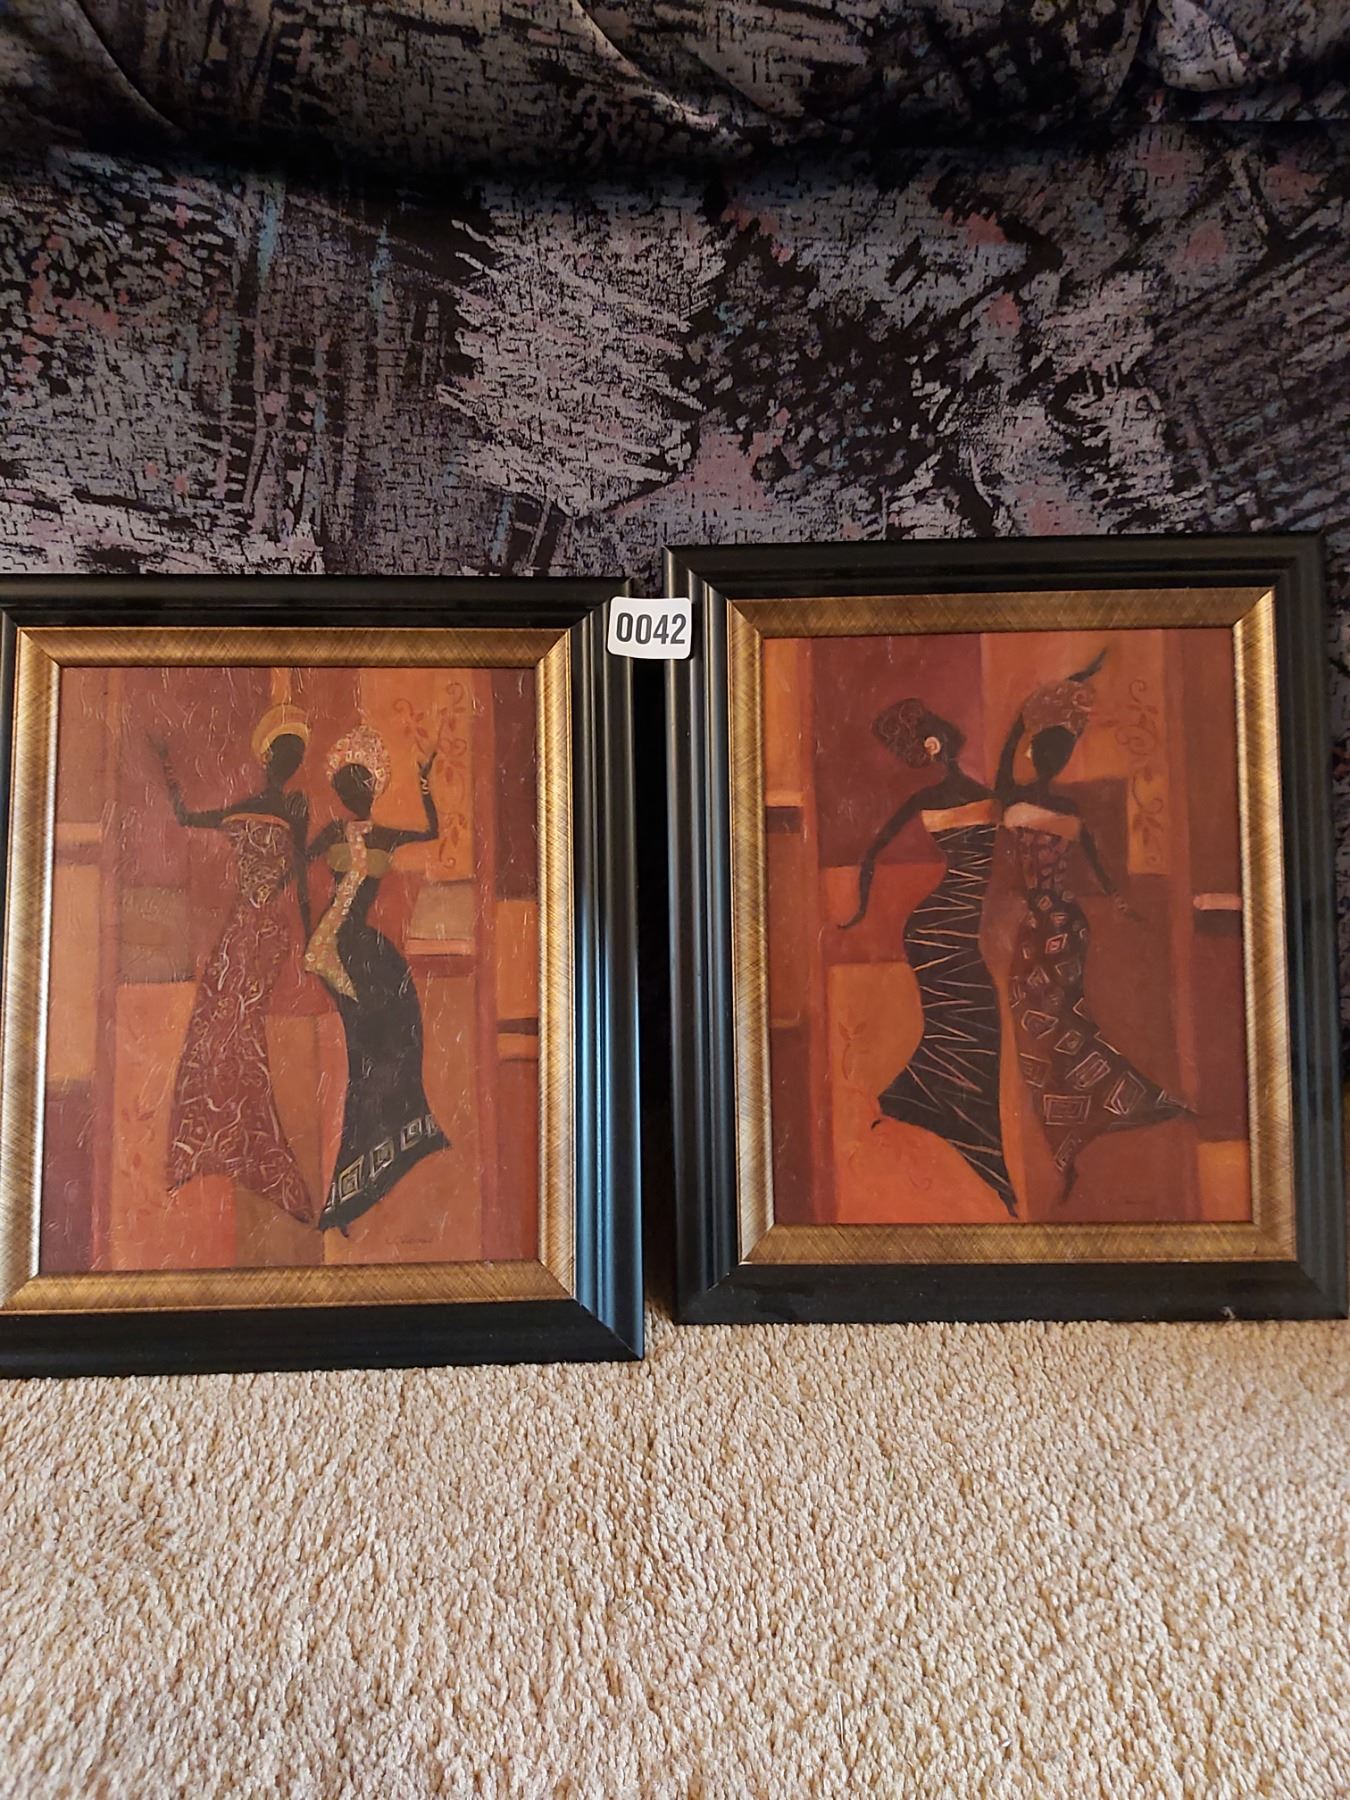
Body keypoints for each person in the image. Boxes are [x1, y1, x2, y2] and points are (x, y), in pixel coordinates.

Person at [995, 652, 1185, 1203]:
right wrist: (1122, 905)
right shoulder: (1070, 814)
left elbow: (1006, 756)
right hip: (1066, 924)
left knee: (1043, 1034)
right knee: (1066, 1026)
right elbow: (1101, 875)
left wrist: (1030, 715)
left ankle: (1069, 1145)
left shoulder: (1013, 804)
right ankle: (1087, 1129)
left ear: (1035, 755)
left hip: (1041, 928)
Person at [841, 698, 1018, 1217]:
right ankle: (976, 1147)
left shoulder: (952, 797)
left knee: (969, 1027)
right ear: (936, 743)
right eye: (943, 729)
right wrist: (857, 913)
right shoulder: (977, 797)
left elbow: (872, 855)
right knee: (969, 1027)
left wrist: (860, 909)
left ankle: (932, 1115)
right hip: (943, 930)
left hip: (947, 927)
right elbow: (871, 853)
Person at [154, 702, 314, 1223]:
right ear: (272, 759)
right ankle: (216, 1147)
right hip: (248, 931)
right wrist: (168, 767)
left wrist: (308, 933)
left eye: (296, 754)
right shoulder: (264, 808)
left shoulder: (287, 807)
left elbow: (300, 876)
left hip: (258, 932)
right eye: (287, 752)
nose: (291, 761)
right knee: (220, 1028)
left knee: (234, 1029)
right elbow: (185, 817)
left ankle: (245, 1152)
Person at [305, 725, 450, 1231]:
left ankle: (391, 1150)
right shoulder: (329, 834)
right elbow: (296, 865)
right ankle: (354, 1187)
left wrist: (426, 783)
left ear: (373, 789)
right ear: (340, 791)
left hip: (367, 947)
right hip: (336, 946)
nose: (356, 792)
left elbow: (431, 832)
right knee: (368, 1054)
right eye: (348, 785)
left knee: (399, 1038)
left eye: (362, 784)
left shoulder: (386, 835)